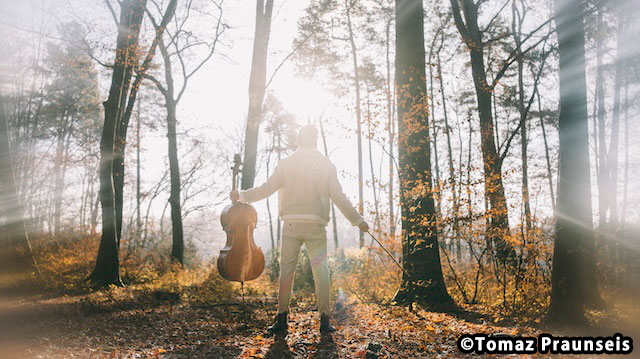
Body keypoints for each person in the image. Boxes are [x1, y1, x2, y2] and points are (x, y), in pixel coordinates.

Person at [230, 125, 369, 335]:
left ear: (298, 140)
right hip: (316, 226)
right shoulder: (326, 165)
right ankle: (324, 320)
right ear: (315, 141)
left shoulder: (286, 164)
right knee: (321, 272)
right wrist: (358, 221)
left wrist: (241, 195)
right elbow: (339, 197)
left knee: (287, 272)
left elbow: (266, 188)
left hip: (291, 225)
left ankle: (281, 319)